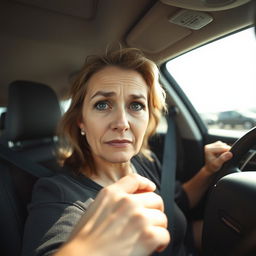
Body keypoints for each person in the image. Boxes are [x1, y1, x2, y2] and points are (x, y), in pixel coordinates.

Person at [21, 48, 232, 256]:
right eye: (102, 105)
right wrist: (92, 249)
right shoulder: (57, 193)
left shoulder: (145, 162)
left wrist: (209, 170)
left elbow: (177, 200)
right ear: (81, 121)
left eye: (136, 105)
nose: (122, 123)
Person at [54, 174, 170, 256]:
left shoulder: (148, 161)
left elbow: (178, 199)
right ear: (82, 136)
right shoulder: (57, 192)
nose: (120, 136)